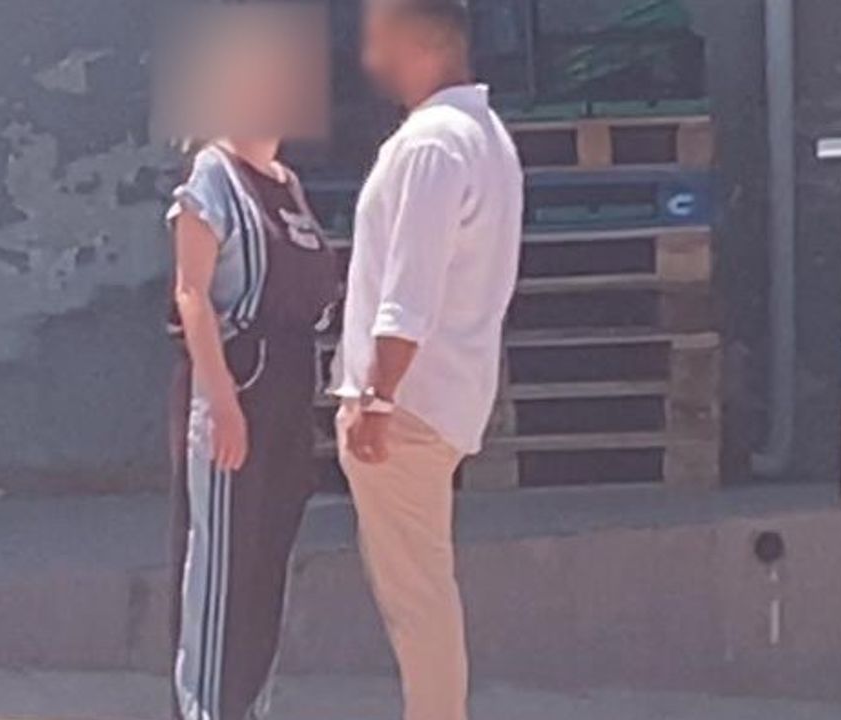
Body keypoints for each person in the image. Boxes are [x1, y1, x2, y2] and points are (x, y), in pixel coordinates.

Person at [331, 1, 524, 719]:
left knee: (417, 600)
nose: (370, 58)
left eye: (381, 38)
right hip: (440, 400)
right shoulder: (485, 137)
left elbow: (407, 295)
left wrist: (376, 399)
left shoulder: (432, 145)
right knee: (421, 592)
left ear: (419, 39)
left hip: (406, 405)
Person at [167, 134, 338, 720]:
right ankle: (206, 710)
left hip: (292, 384)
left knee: (268, 562)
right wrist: (221, 402)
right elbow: (191, 293)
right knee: (225, 565)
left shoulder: (288, 185)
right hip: (238, 382)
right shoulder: (214, 173)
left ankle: (250, 707)